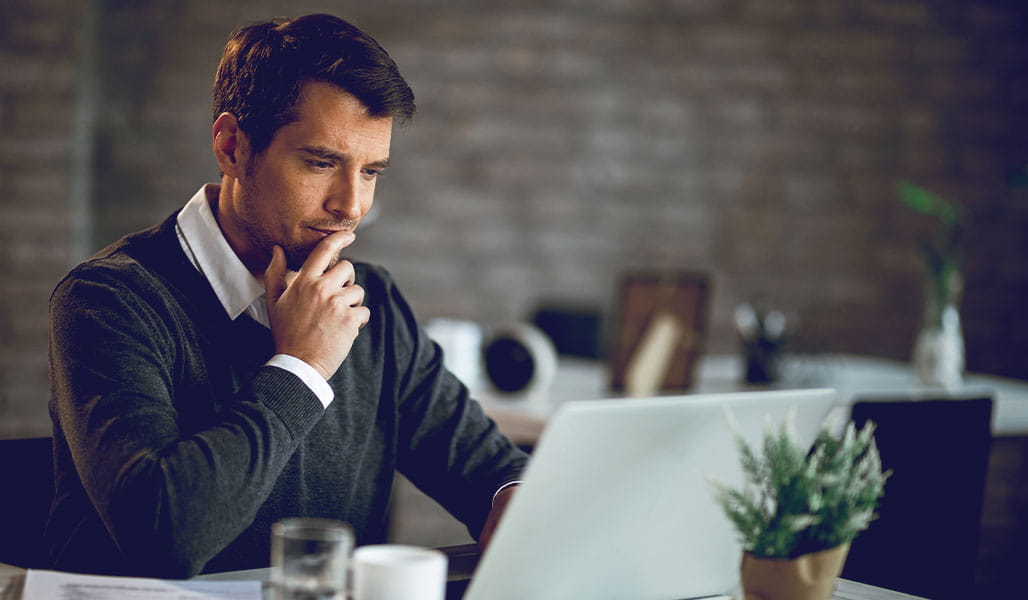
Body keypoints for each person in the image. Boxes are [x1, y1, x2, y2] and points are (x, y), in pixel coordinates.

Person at [47, 13, 526, 578]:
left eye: (371, 171)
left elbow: (486, 467)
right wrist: (302, 365)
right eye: (322, 163)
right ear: (231, 146)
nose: (351, 205)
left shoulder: (373, 303)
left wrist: (512, 498)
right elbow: (166, 534)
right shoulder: (109, 299)